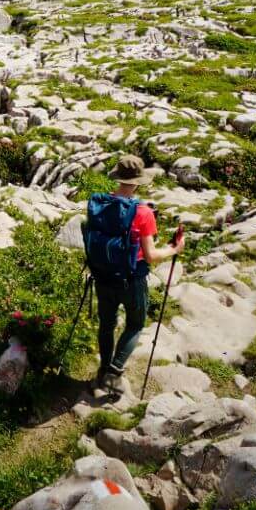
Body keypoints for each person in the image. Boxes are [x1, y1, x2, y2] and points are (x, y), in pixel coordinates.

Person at [92, 154, 183, 394]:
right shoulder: (143, 213)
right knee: (135, 324)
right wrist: (174, 249)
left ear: (118, 178)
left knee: (106, 324)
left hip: (102, 276)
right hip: (131, 279)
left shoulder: (99, 204)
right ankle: (114, 371)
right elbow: (150, 255)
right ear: (138, 181)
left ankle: (103, 368)